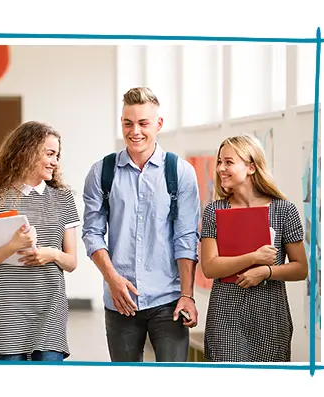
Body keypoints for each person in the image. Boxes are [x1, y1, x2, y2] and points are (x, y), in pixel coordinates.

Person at [82, 87, 201, 362]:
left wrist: (187, 295)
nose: (135, 131)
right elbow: (92, 233)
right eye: (128, 123)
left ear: (159, 124)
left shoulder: (180, 172)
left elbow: (185, 236)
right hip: (120, 300)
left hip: (168, 299)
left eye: (143, 123)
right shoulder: (102, 172)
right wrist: (112, 280)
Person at [0, 121, 80, 361]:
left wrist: (51, 254)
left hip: (50, 304)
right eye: (49, 154)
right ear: (27, 151)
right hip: (7, 306)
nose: (55, 161)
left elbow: (71, 262)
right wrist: (13, 245)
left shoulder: (63, 199)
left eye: (57, 155)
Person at [200, 134, 308, 362]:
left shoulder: (284, 210)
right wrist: (253, 258)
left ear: (251, 167)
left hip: (271, 316)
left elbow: (300, 269)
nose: (220, 168)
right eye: (220, 162)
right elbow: (210, 267)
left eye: (229, 162)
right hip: (225, 317)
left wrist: (266, 272)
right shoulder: (214, 211)